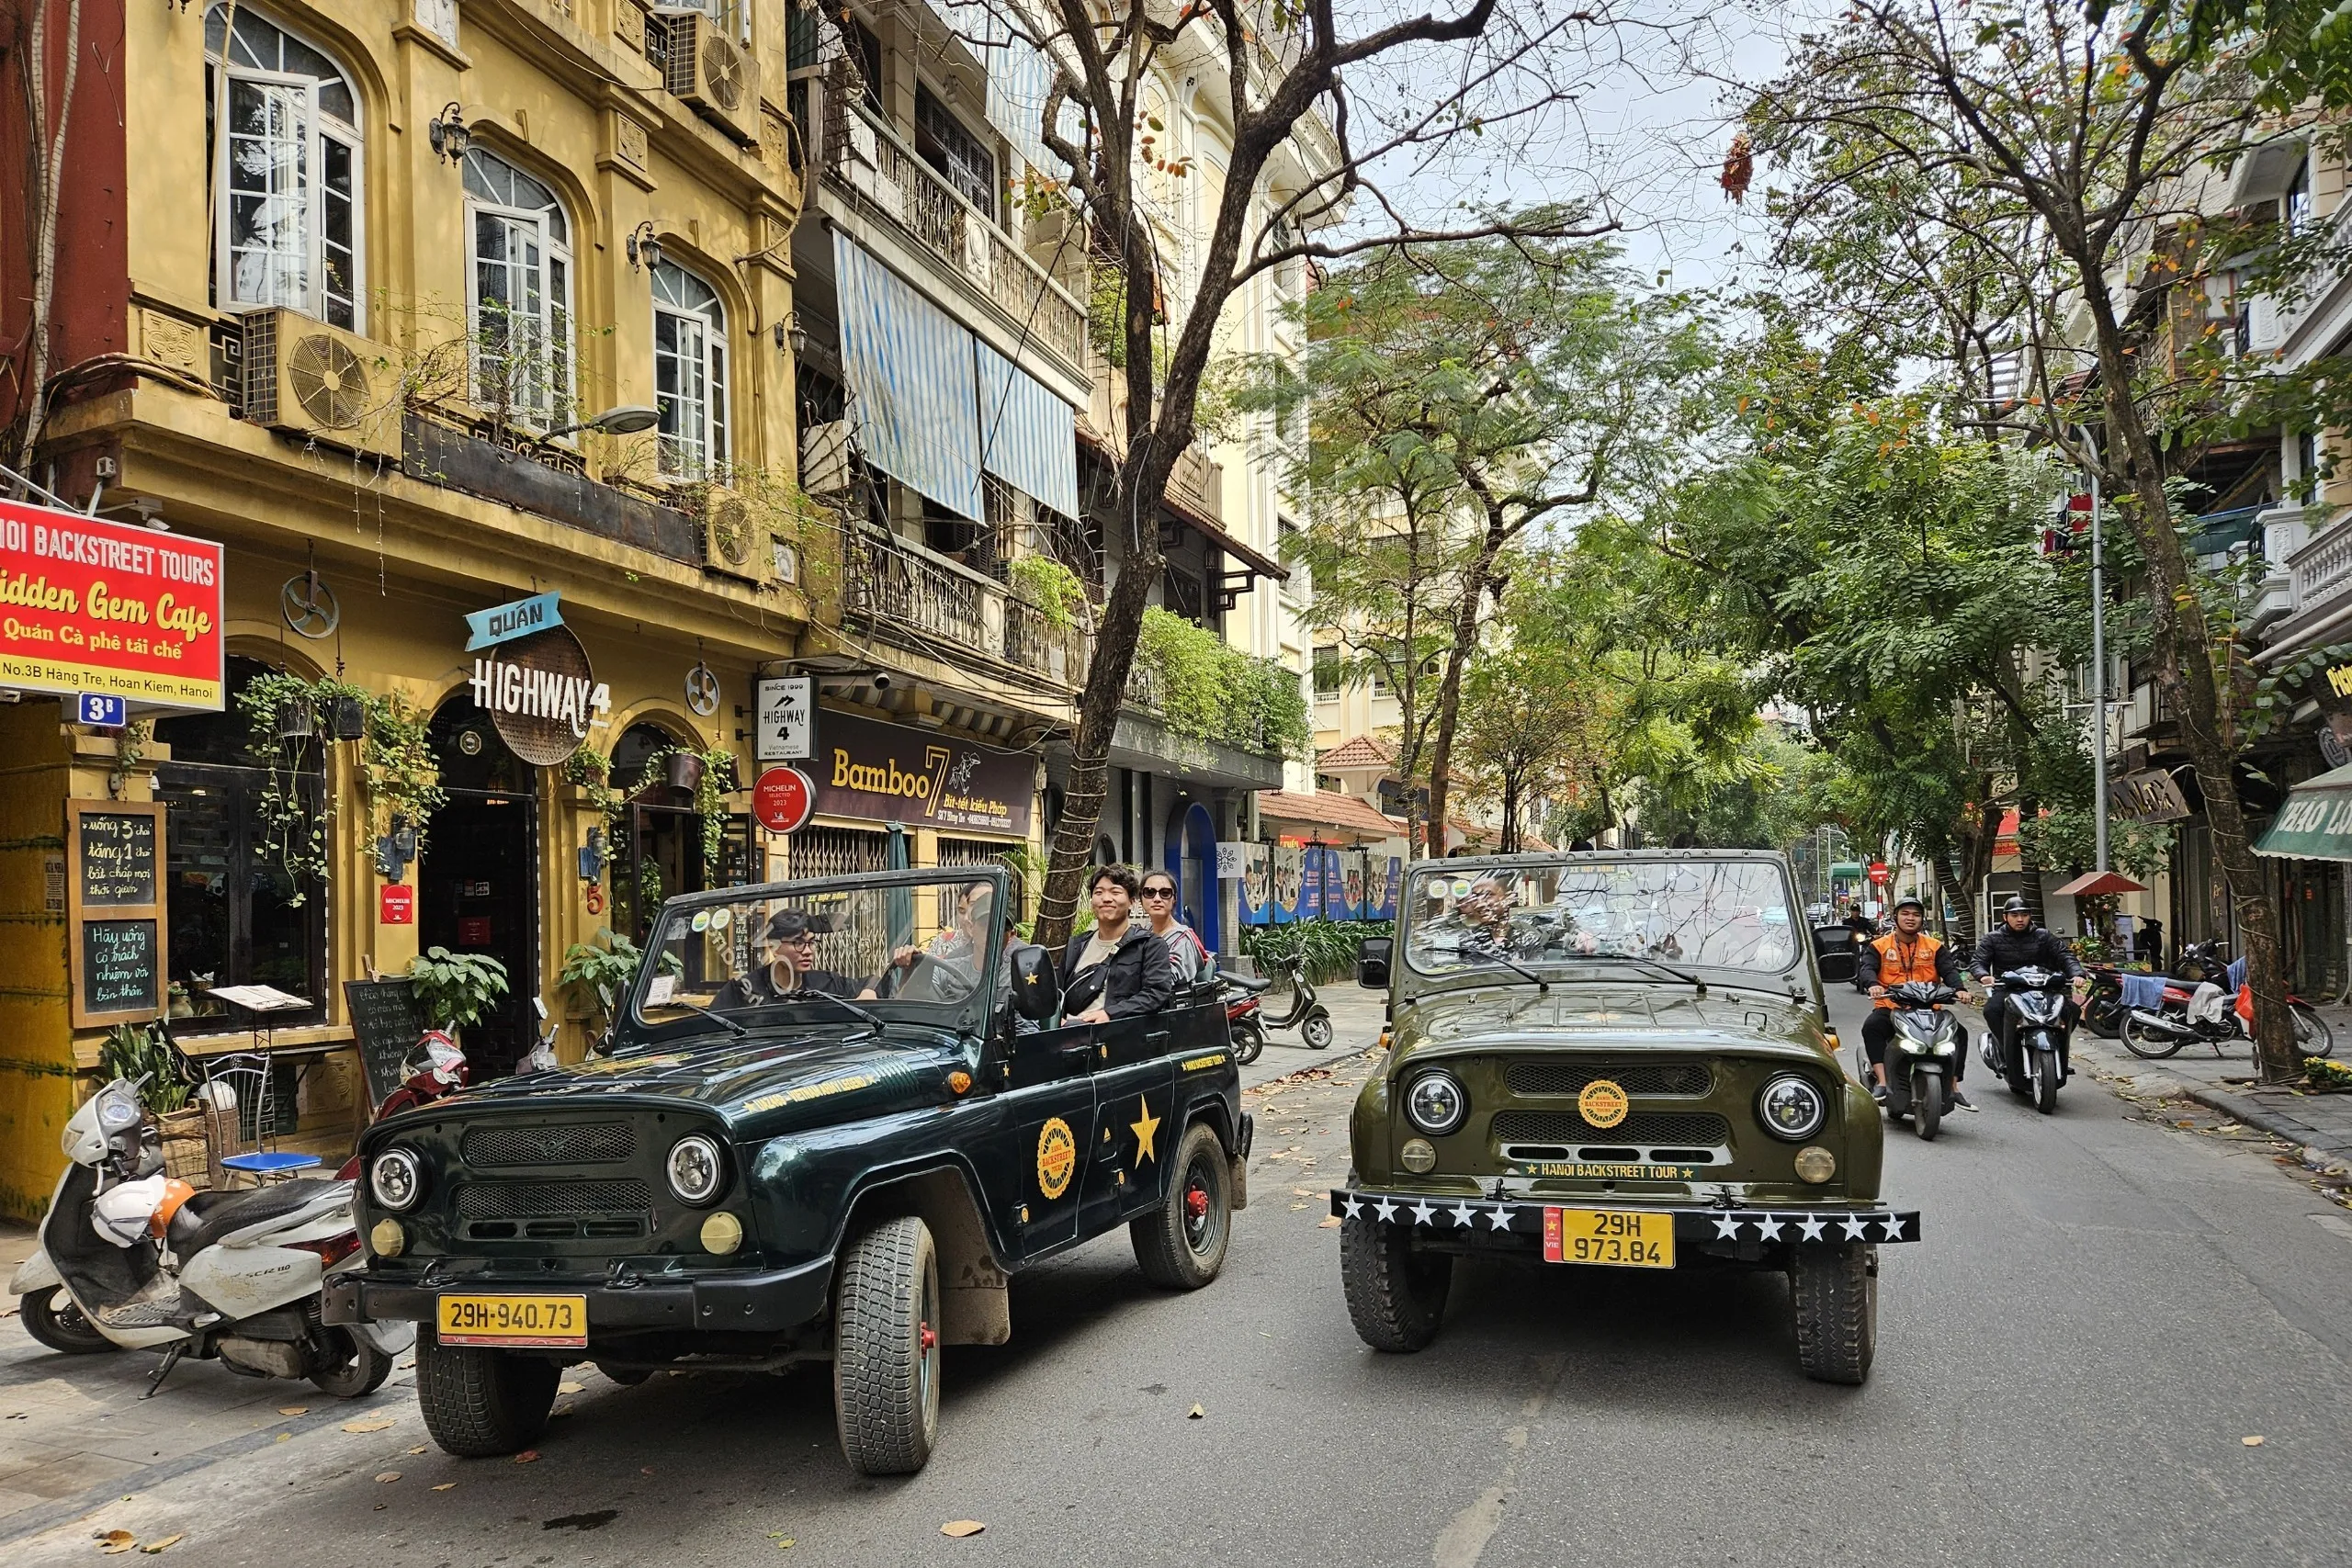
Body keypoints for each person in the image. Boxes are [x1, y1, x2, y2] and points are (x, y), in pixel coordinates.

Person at [1858, 895, 1974, 1110]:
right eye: (1905, 913)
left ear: (1922, 920)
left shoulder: (1935, 946)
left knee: (1960, 1033)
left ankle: (1954, 1086)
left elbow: (1949, 971)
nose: (1910, 918)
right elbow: (1867, 968)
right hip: (1892, 1007)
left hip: (1928, 1009)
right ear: (1896, 918)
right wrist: (1873, 984)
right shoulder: (1879, 946)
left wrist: (1960, 990)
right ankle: (1883, 1082)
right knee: (1872, 1027)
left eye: (1916, 914)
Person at [1970, 896, 2086, 1077]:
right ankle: (2005, 1048)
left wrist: (2077, 973)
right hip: (2008, 989)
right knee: (1991, 1010)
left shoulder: (2044, 936)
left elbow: (2065, 955)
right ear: (2005, 917)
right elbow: (1978, 961)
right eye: (2015, 915)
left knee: (2072, 1010)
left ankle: (2059, 1049)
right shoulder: (1993, 939)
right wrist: (1983, 975)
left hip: (2043, 988)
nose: (2020, 919)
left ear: (2030, 917)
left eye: (2024, 915)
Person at [1058, 865, 1176, 1024]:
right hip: (1070, 1036)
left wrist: (1110, 1014)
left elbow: (1156, 993)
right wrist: (1058, 1020)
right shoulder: (1076, 945)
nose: (1106, 898)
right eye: (1099, 892)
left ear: (1132, 903)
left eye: (1115, 892)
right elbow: (1057, 993)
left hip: (1121, 1036)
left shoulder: (1149, 945)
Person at [712, 908, 866, 1010]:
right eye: (798, 943)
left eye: (811, 943)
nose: (808, 951)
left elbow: (872, 984)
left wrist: (868, 992)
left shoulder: (828, 983)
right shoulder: (743, 989)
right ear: (773, 947)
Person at [1139, 871, 1211, 987]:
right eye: (1149, 892)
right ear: (1141, 898)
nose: (1157, 899)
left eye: (1165, 893)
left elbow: (1164, 979)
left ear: (1174, 899)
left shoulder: (1183, 939)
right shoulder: (1145, 932)